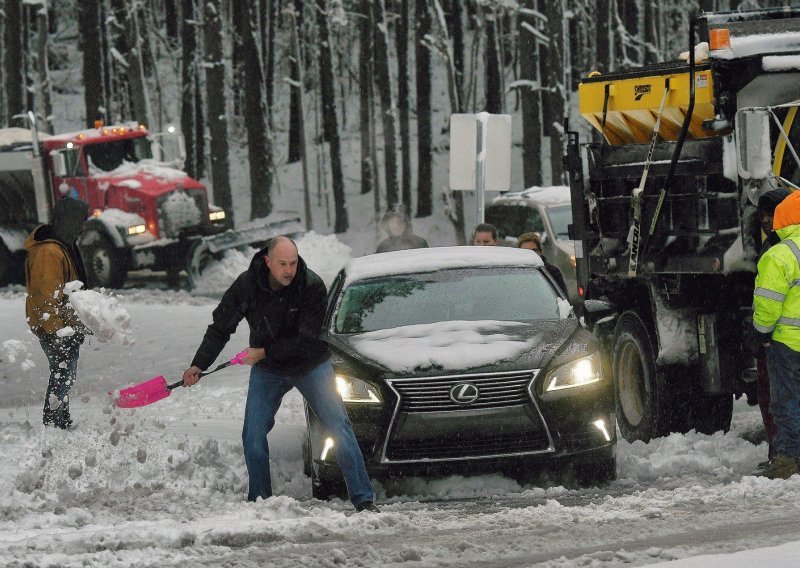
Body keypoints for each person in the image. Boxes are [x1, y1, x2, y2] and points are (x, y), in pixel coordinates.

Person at [182, 236, 378, 511]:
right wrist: (198, 364)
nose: (289, 270)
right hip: (269, 371)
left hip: (310, 364)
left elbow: (307, 339)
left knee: (339, 427)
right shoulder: (247, 286)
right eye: (283, 264)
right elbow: (220, 326)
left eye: (293, 263)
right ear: (267, 262)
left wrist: (263, 352)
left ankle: (363, 499)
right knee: (253, 434)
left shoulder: (311, 286)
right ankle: (261, 503)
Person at [24, 197, 90, 429]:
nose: (82, 228)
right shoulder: (49, 251)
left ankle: (59, 418)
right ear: (69, 221)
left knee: (65, 373)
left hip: (64, 324)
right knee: (63, 373)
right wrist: (58, 330)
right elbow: (46, 295)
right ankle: (54, 421)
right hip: (55, 327)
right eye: (80, 222)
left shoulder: (62, 245)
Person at [753, 190, 800, 480]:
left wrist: (761, 333)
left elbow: (767, 303)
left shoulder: (779, 255)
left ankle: (788, 460)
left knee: (786, 401)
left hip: (786, 343)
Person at [517, 232, 567, 296]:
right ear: (518, 253)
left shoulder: (553, 272)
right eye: (525, 251)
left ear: (540, 251)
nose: (530, 254)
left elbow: (563, 302)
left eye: (534, 251)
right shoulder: (513, 274)